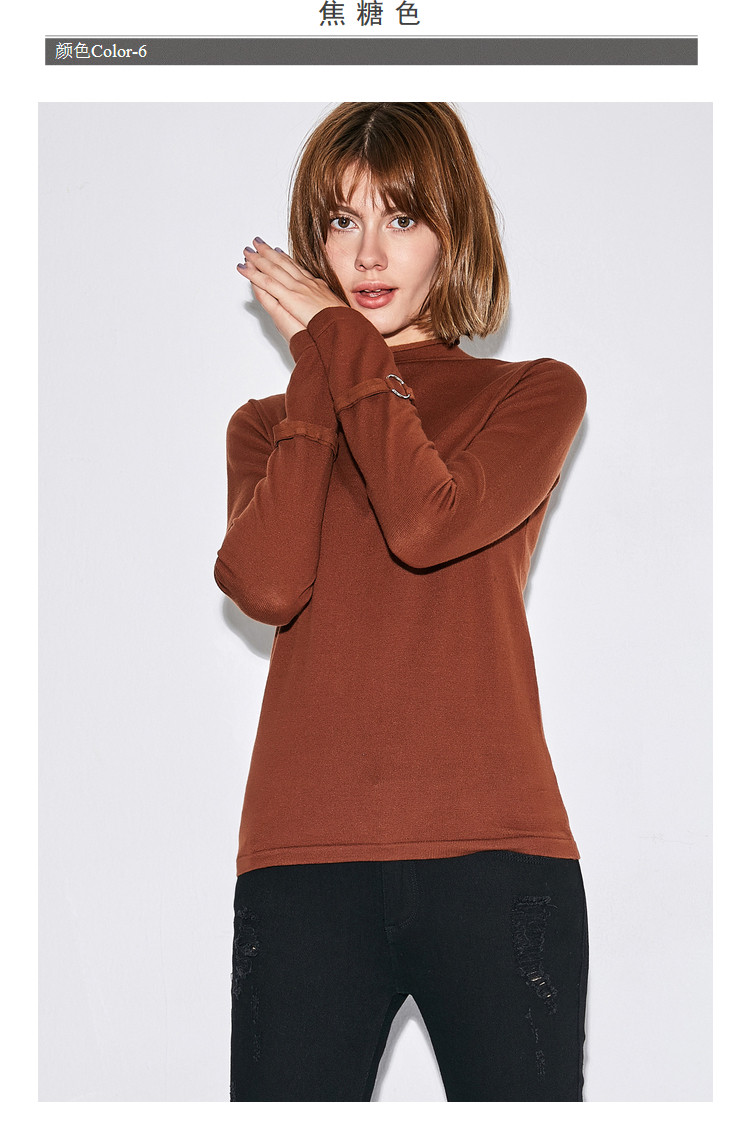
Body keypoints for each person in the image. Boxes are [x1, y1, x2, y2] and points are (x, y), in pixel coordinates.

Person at [214, 102, 588, 1102]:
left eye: (403, 217)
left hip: (498, 860)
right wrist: (323, 370)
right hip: (302, 861)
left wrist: (339, 343)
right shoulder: (264, 426)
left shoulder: (533, 394)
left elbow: (424, 523)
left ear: (453, 234)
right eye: (342, 221)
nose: (369, 253)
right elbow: (268, 584)